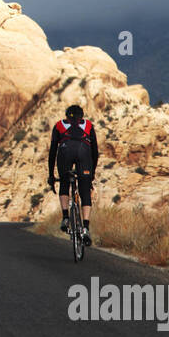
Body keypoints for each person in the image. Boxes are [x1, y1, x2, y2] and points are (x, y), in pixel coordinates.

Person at [48, 104, 99, 244]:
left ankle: (65, 217)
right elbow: (95, 151)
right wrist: (91, 174)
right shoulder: (88, 125)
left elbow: (52, 151)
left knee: (64, 182)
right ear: (82, 116)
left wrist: (51, 175)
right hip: (84, 153)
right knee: (84, 190)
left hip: (65, 152)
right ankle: (86, 227)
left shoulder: (59, 125)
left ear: (66, 116)